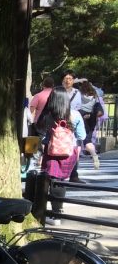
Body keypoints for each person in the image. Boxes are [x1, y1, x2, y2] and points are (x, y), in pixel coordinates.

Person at [36, 87, 85, 225]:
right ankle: (58, 214)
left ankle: (49, 213)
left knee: (50, 180)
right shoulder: (75, 115)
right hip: (69, 153)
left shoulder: (47, 115)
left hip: (51, 153)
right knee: (61, 181)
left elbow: (40, 131)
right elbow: (82, 135)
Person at [78, 79, 104, 169]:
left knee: (76, 138)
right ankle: (94, 155)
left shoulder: (78, 93)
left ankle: (75, 160)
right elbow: (100, 94)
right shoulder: (95, 94)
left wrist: (79, 80)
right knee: (87, 140)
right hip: (92, 117)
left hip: (80, 115)